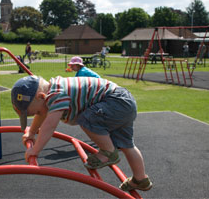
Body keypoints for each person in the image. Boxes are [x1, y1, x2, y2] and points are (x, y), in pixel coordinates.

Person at [11, 75, 153, 192]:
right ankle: (140, 179)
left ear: (41, 96)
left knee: (86, 119)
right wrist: (31, 132)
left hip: (115, 101)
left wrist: (35, 150)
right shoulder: (49, 94)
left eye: (35, 111)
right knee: (127, 145)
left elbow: (49, 125)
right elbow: (42, 115)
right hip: (123, 102)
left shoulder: (55, 94)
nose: (37, 115)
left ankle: (108, 152)